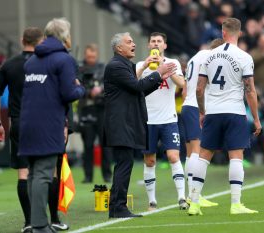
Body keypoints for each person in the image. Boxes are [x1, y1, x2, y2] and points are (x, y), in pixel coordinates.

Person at [0, 27, 68, 233]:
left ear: (21, 40)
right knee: (49, 171)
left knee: (24, 173)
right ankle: (53, 219)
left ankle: (29, 222)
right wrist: (64, 123)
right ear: (42, 41)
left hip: (19, 123)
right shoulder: (48, 63)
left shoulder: (8, 65)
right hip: (47, 122)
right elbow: (61, 94)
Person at [188, 18, 262, 216]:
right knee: (236, 157)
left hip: (213, 111)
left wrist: (202, 111)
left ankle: (194, 203)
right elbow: (250, 90)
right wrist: (256, 118)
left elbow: (199, 88)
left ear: (223, 33)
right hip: (235, 112)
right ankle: (236, 204)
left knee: (204, 156)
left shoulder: (208, 56)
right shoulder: (244, 57)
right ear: (239, 33)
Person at [19, 18, 85, 233]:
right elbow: (68, 93)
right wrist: (80, 89)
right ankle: (39, 225)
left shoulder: (31, 62)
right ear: (65, 37)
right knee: (44, 173)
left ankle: (36, 222)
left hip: (27, 123)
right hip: (48, 124)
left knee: (33, 173)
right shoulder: (63, 60)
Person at [103, 32, 177, 218]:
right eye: (129, 42)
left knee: (125, 163)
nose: (134, 44)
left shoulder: (123, 64)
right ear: (119, 48)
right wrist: (158, 73)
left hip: (125, 123)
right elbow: (137, 87)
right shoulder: (116, 66)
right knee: (124, 164)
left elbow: (139, 91)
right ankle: (118, 207)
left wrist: (159, 77)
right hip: (120, 123)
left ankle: (116, 206)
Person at [135, 32, 188, 211]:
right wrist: (145, 66)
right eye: (153, 41)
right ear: (149, 45)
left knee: (174, 156)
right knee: (150, 161)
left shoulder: (172, 63)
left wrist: (166, 68)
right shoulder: (141, 65)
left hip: (169, 119)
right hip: (147, 120)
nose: (156, 44)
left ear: (165, 45)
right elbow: (131, 83)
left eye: (159, 41)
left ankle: (181, 197)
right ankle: (152, 202)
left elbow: (181, 83)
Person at [181, 38, 224, 207]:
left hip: (187, 105)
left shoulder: (194, 58)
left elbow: (185, 88)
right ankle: (194, 196)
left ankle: (193, 194)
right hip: (195, 107)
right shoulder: (209, 57)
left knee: (190, 152)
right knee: (197, 152)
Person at [78, 43, 112, 183]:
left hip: (102, 109)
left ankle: (107, 175)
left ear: (96, 55)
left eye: (93, 55)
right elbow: (76, 86)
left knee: (105, 144)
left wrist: (100, 90)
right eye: (88, 55)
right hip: (86, 109)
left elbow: (110, 84)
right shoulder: (79, 68)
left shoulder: (103, 68)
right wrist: (88, 92)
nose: (91, 58)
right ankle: (88, 176)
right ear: (85, 55)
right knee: (88, 144)